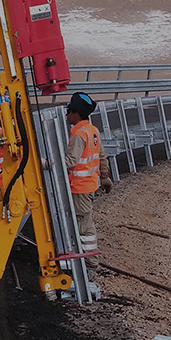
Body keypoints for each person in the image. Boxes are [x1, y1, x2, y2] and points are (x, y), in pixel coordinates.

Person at [62, 92, 112, 266]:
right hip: (89, 184)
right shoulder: (92, 130)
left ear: (76, 114)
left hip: (79, 187)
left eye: (69, 111)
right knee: (84, 220)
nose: (67, 115)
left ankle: (89, 259)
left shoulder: (79, 135)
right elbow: (102, 156)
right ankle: (87, 256)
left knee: (83, 223)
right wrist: (105, 177)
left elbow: (70, 162)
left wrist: (47, 163)